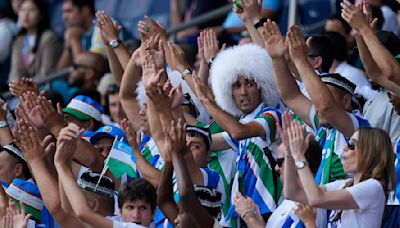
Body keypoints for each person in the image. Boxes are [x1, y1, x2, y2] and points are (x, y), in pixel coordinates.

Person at [262, 20, 369, 185]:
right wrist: (277, 59)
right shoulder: (323, 126)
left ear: (346, 101)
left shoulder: (357, 127)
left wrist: (300, 60)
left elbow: (326, 107)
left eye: (324, 95)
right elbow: (291, 96)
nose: (317, 105)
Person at [190, 43, 283, 225]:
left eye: (249, 84)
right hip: (244, 211)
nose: (243, 92)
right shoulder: (242, 122)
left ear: (262, 86)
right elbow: (206, 141)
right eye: (236, 85)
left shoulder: (271, 116)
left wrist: (207, 101)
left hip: (270, 210)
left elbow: (239, 133)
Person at [285, 120, 395, 228]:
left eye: (351, 144)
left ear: (369, 152)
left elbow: (316, 199)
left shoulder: (373, 187)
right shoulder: (345, 185)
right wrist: (289, 154)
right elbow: (293, 193)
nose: (345, 148)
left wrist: (299, 156)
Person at [234, 112, 325, 228]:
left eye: (280, 162)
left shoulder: (308, 206)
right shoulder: (293, 200)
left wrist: (250, 217)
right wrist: (258, 219)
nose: (277, 168)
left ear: (298, 160)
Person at [8, 0, 62, 82]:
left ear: (41, 14)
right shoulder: (18, 41)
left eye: (31, 10)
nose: (25, 15)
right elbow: (14, 74)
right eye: (22, 10)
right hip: (22, 91)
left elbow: (46, 73)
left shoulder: (49, 38)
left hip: (43, 88)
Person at [57, 0, 106, 69]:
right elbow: (60, 72)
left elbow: (90, 69)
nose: (64, 17)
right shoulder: (79, 32)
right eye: (63, 12)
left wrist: (74, 39)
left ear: (85, 11)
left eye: (69, 11)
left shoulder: (102, 26)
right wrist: (69, 46)